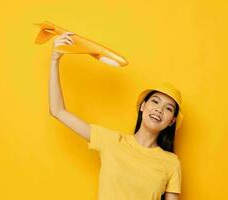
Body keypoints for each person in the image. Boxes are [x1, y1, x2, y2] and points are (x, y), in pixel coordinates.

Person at [49, 32, 183, 200]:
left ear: (171, 121)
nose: (159, 109)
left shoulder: (171, 163)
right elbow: (58, 111)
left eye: (168, 108)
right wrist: (55, 59)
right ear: (142, 106)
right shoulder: (111, 142)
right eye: (155, 101)